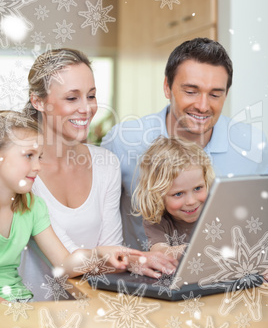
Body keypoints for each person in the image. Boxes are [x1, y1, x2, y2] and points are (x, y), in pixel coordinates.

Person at [19, 48, 177, 300]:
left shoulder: (105, 163)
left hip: (91, 306)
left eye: (91, 96)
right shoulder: (25, 170)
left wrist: (137, 261)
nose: (86, 109)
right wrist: (123, 258)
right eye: (72, 98)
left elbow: (111, 248)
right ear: (38, 102)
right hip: (35, 314)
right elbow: (67, 260)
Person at [101, 37, 268, 250]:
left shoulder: (252, 144)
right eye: (190, 92)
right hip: (142, 279)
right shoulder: (123, 141)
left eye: (215, 94)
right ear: (167, 88)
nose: (202, 105)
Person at [0, 110, 141, 302]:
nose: (37, 166)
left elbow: (65, 263)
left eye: (39, 157)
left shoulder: (32, 207)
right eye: (29, 155)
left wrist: (98, 254)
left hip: (20, 305)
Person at [132, 136, 215, 259]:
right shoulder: (157, 220)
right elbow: (160, 252)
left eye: (198, 188)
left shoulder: (216, 209)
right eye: (178, 194)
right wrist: (200, 248)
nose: (191, 201)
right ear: (158, 195)